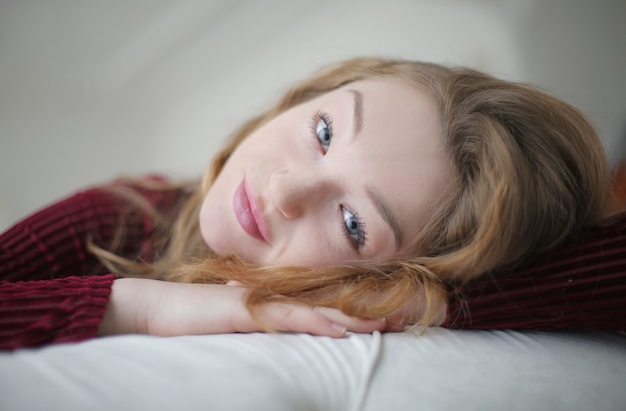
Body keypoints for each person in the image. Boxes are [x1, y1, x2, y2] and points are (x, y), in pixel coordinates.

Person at [1, 57, 625, 350]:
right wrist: (141, 304)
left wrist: (414, 294)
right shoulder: (122, 214)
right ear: (309, 95)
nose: (284, 190)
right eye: (325, 131)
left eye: (354, 224)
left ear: (390, 279)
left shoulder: (383, 292)